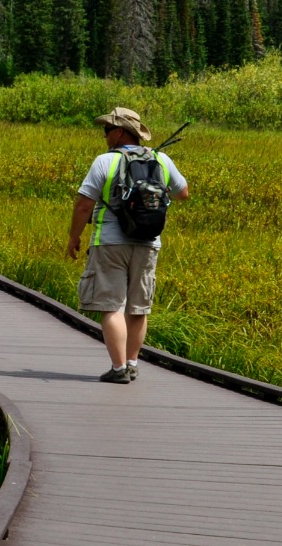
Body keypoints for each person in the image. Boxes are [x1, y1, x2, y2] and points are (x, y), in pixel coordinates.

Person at [66, 106, 190, 384]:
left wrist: (74, 237)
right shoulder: (160, 158)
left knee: (111, 306)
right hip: (148, 242)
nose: (104, 135)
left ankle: (118, 368)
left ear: (120, 132)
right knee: (138, 308)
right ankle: (132, 364)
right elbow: (183, 193)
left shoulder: (104, 161)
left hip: (109, 242)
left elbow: (85, 204)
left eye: (107, 130)